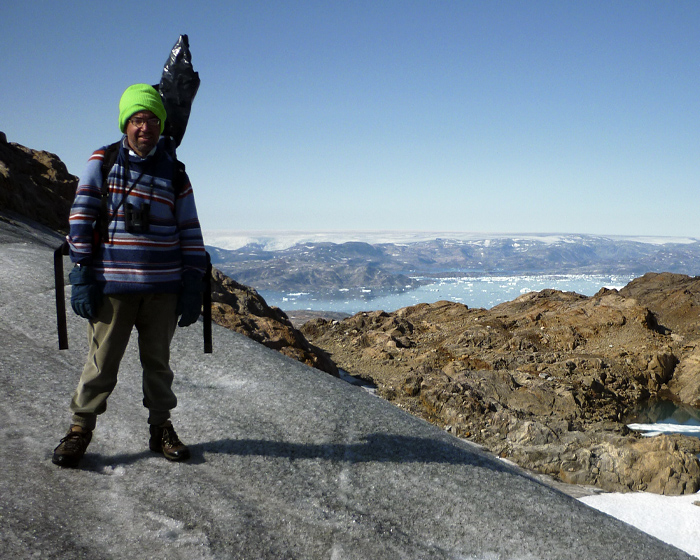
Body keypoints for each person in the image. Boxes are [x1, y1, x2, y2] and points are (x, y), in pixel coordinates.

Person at [52, 84, 207, 468]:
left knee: (158, 365)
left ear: (161, 124)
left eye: (153, 119)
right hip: (113, 288)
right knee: (101, 364)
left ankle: (161, 429)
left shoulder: (174, 172)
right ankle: (79, 430)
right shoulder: (103, 161)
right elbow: (81, 218)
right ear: (126, 122)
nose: (145, 127)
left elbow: (189, 229)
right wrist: (82, 274)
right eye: (137, 119)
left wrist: (192, 283)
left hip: (163, 289)